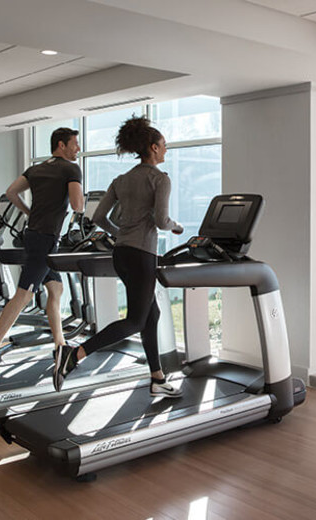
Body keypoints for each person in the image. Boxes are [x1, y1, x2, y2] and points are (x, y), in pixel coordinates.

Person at [53, 116, 183, 398]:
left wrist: (121, 232)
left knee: (152, 314)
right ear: (153, 148)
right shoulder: (160, 179)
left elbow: (99, 216)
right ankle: (75, 354)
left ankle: (157, 377)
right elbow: (161, 221)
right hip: (142, 255)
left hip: (121, 253)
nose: (166, 150)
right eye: (164, 146)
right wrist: (177, 226)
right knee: (137, 319)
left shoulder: (121, 180)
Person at [0, 127, 84, 379]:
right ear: (61, 145)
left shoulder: (35, 169)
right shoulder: (71, 169)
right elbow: (77, 205)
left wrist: (28, 212)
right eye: (75, 144)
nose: (78, 148)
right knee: (24, 294)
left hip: (35, 234)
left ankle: (60, 346)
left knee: (55, 289)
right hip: (46, 238)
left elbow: (11, 192)